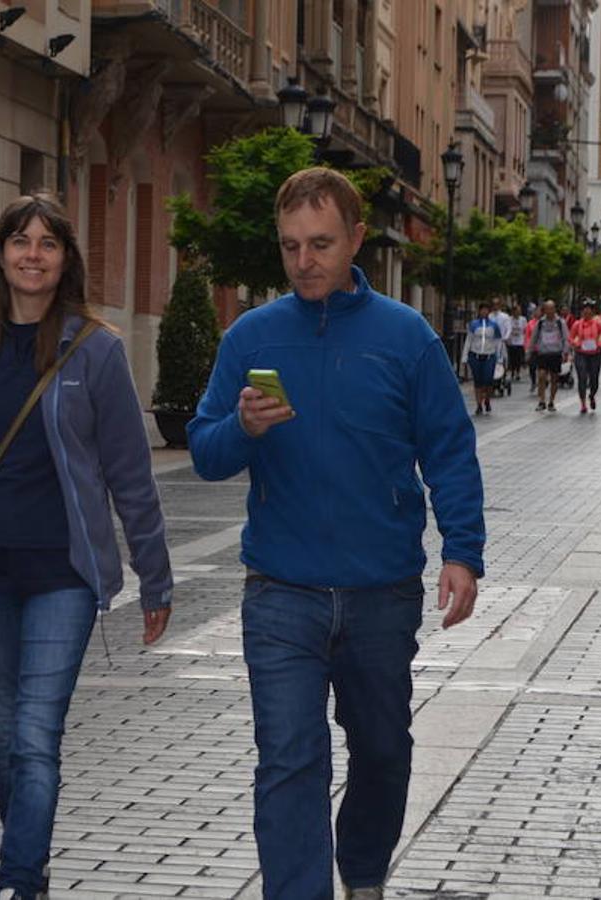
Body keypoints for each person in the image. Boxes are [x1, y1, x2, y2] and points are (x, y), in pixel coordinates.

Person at [188, 168, 484, 900]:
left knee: (381, 750)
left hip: (380, 591)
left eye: (320, 243)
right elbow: (203, 450)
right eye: (290, 246)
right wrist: (242, 428)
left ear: (355, 238)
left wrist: (462, 553)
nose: (304, 260)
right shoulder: (251, 336)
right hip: (280, 591)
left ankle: (362, 875)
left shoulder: (404, 336)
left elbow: (447, 447)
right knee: (288, 758)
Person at [0, 192, 173, 900]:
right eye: (21, 241)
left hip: (65, 572)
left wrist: (155, 578)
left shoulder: (97, 349)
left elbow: (129, 474)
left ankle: (17, 879)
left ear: (65, 260)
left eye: (48, 243)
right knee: (5, 737)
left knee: (35, 734)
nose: (33, 254)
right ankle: (29, 860)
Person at [568, 300, 601, 414]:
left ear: (592, 312)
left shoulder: (598, 324)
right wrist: (575, 344)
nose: (586, 312)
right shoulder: (577, 324)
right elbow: (570, 337)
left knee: (594, 379)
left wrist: (600, 345)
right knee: (582, 378)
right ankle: (583, 404)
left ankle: (592, 395)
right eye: (584, 310)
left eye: (589, 310)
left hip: (594, 354)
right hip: (581, 353)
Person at [528, 300, 570, 412]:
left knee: (554, 378)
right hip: (543, 353)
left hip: (555, 353)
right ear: (544, 310)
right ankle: (542, 401)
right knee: (541, 376)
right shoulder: (540, 323)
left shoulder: (561, 322)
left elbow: (566, 338)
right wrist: (529, 351)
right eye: (547, 309)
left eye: (552, 309)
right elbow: (534, 337)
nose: (549, 311)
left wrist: (566, 352)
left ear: (555, 309)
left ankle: (551, 401)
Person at [462, 300, 502, 415]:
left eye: (486, 310)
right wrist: (465, 356)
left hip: (489, 355)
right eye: (482, 309)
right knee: (478, 381)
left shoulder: (494, 325)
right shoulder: (473, 324)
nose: (484, 312)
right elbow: (468, 340)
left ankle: (487, 400)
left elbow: (498, 341)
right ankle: (479, 404)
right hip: (475, 355)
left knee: (488, 380)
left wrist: (499, 357)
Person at [506, 304, 527, 387]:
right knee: (512, 358)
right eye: (515, 311)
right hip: (511, 341)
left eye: (518, 311)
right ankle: (512, 371)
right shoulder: (509, 319)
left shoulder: (523, 319)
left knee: (518, 358)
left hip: (520, 341)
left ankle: (518, 372)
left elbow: (525, 330)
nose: (517, 313)